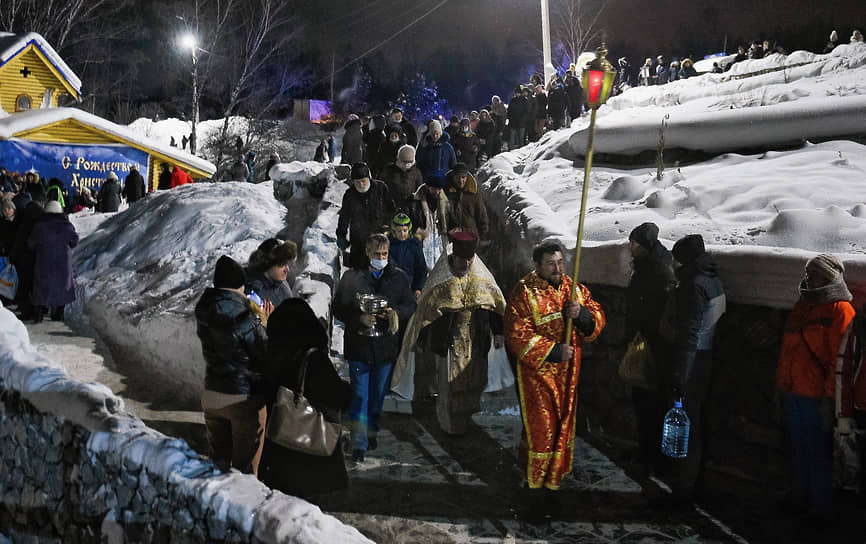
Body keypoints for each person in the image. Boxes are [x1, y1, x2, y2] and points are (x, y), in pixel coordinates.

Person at [504, 240, 605, 514]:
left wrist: (582, 315)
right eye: (551, 264)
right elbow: (516, 334)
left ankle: (552, 486)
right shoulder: (524, 293)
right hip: (538, 377)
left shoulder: (573, 289)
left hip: (568, 377)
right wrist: (552, 351)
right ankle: (534, 493)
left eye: (560, 263)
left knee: (562, 431)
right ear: (537, 265)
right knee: (541, 433)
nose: (557, 268)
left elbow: (597, 316)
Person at [392, 231, 505, 434]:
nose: (467, 265)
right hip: (449, 340)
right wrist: (421, 337)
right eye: (462, 260)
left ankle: (466, 419)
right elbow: (426, 311)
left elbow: (494, 305)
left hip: (475, 338)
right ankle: (449, 425)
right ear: (454, 257)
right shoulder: (441, 279)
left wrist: (498, 332)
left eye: (470, 260)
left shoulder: (481, 276)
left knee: (474, 382)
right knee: (448, 386)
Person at [776, 254, 855, 523]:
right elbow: (789, 349)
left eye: (813, 273)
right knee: (799, 447)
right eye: (807, 272)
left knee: (818, 452)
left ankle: (819, 507)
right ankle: (800, 496)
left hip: (815, 394)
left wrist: (829, 397)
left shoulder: (840, 310)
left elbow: (840, 359)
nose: (808, 277)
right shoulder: (804, 304)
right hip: (794, 389)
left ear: (828, 277)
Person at [332, 233, 416, 462]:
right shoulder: (352, 277)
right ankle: (359, 443)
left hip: (385, 348)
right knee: (359, 395)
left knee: (377, 396)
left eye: (385, 254)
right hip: (359, 346)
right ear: (368, 253)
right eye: (377, 254)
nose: (381, 258)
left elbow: (410, 305)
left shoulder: (399, 278)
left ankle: (371, 431)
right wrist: (358, 318)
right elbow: (339, 308)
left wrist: (394, 315)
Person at [258, 298, 352, 501]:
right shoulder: (313, 358)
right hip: (310, 455)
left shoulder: (271, 352)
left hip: (278, 450)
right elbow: (337, 396)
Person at [658, 234, 726, 504]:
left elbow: (689, 333)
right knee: (695, 421)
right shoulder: (712, 279)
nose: (673, 263)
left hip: (690, 360)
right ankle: (688, 483)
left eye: (676, 258)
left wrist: (679, 375)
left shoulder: (693, 286)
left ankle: (682, 489)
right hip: (704, 356)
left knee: (686, 425)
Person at [195, 255, 271, 476]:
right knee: (245, 474)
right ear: (240, 284)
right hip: (242, 398)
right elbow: (262, 352)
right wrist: (264, 323)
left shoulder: (205, 309)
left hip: (211, 395)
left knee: (218, 467)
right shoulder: (242, 314)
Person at [625, 223, 676, 475]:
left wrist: (642, 332)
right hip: (647, 342)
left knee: (650, 404)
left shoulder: (657, 271)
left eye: (635, 243)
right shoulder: (649, 267)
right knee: (645, 402)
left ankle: (651, 456)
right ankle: (648, 454)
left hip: (653, 346)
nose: (630, 247)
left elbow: (654, 309)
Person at [336, 162, 395, 269]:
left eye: (363, 181)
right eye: (357, 182)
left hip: (380, 239)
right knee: (359, 272)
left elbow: (391, 209)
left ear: (369, 178)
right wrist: (341, 235)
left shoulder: (381, 188)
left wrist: (388, 226)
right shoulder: (349, 195)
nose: (361, 185)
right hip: (358, 240)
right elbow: (344, 217)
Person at [27, 200, 78, 323]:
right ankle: (59, 315)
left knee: (41, 288)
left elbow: (31, 243)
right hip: (63, 263)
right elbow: (74, 241)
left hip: (43, 262)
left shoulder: (40, 225)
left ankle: (38, 316)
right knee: (62, 288)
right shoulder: (67, 225)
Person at [412, 171, 449, 271]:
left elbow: (452, 221)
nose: (437, 192)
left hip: (439, 242)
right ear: (428, 187)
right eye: (434, 189)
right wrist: (417, 230)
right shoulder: (414, 203)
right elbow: (408, 222)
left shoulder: (446, 204)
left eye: (439, 189)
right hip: (422, 242)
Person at [246, 238, 298, 309]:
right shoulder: (252, 292)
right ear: (267, 264)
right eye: (281, 264)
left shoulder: (282, 284)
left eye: (287, 264)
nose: (287, 269)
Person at [380, 144, 424, 229]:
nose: (407, 165)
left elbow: (420, 190)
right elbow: (381, 188)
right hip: (391, 208)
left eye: (409, 162)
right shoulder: (389, 170)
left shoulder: (416, 172)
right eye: (404, 162)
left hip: (410, 209)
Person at [444, 163, 489, 243]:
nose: (461, 181)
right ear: (453, 177)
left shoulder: (473, 193)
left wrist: (483, 233)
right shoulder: (446, 192)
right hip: (451, 237)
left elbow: (481, 214)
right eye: (458, 177)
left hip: (470, 237)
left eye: (463, 177)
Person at [387, 212, 426, 297]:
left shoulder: (414, 245)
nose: (402, 234)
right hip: (391, 286)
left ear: (409, 230)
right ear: (394, 231)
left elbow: (421, 269)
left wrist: (418, 288)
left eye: (405, 230)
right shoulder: (389, 245)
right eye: (399, 231)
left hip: (410, 286)